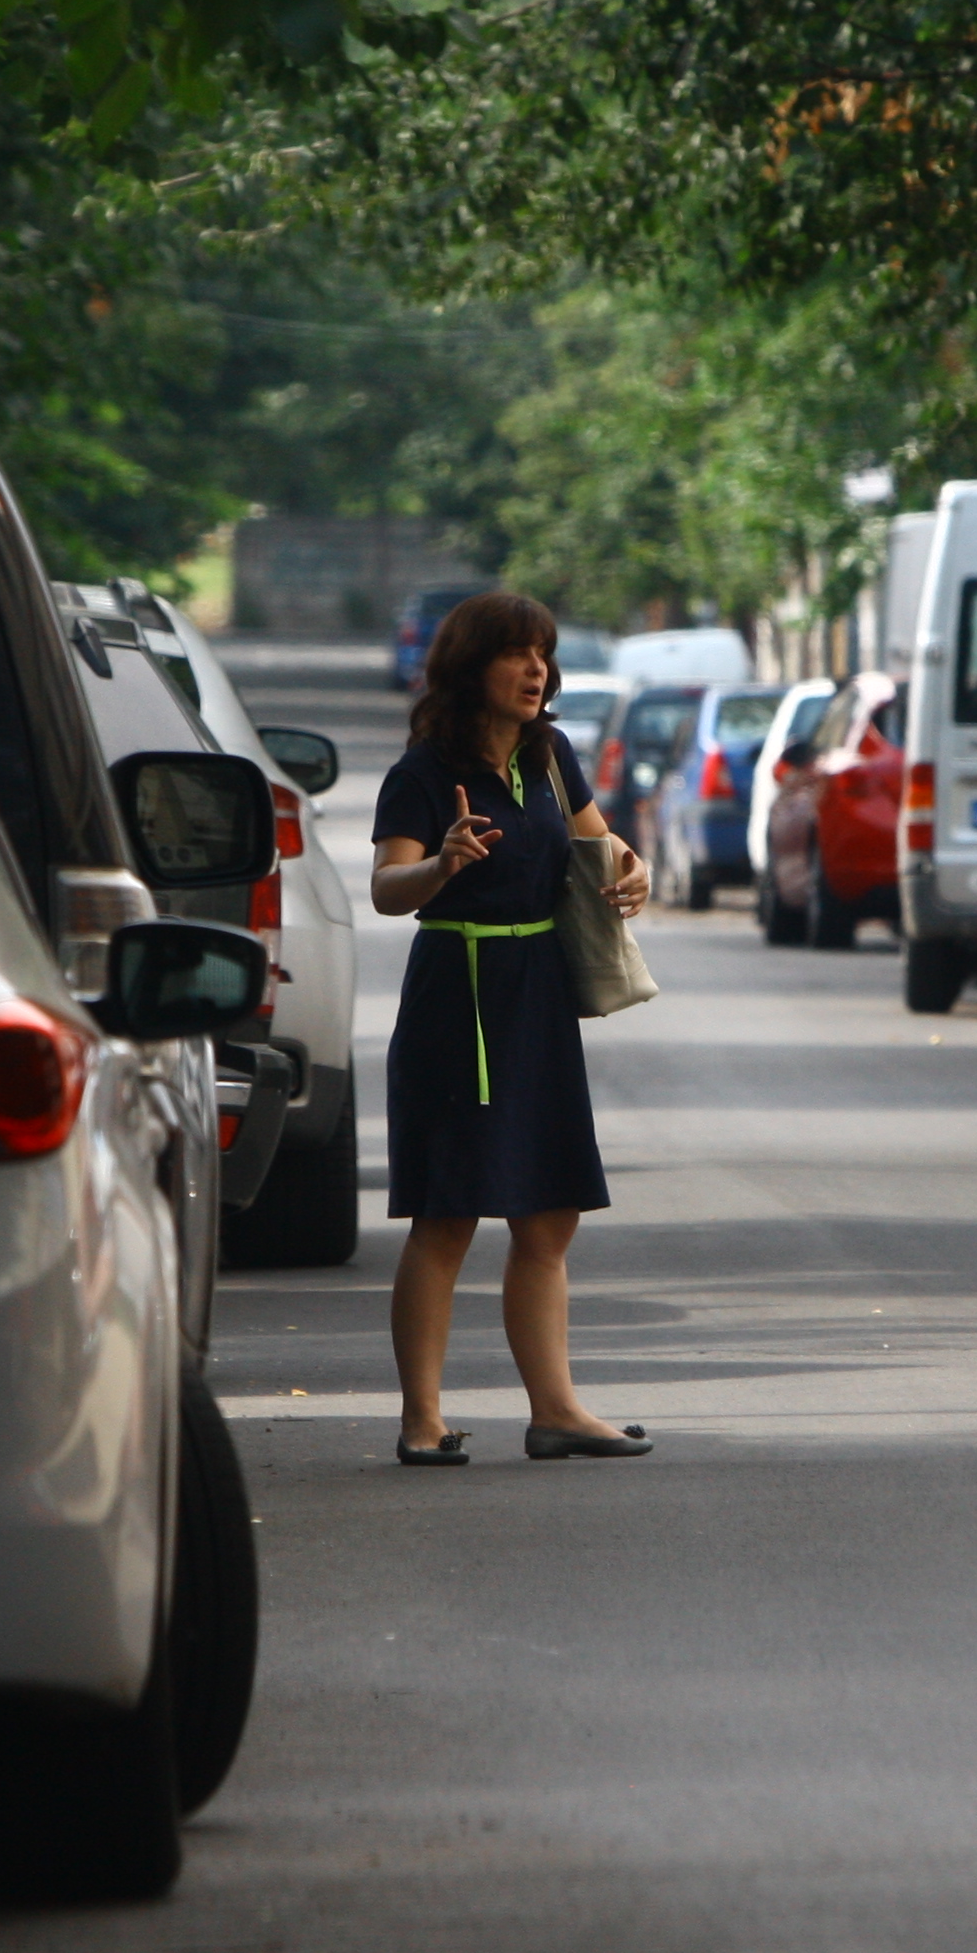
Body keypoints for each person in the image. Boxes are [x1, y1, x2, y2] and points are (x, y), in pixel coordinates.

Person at [367, 590, 658, 1467]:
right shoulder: (422, 771)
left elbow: (599, 849)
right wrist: (443, 864)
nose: (537, 670)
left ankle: (556, 1410)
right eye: (516, 653)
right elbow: (388, 890)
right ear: (470, 667)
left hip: (537, 991)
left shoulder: (552, 755)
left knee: (548, 1215)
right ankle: (423, 1419)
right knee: (447, 1212)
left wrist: (632, 877)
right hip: (458, 991)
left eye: (545, 653)